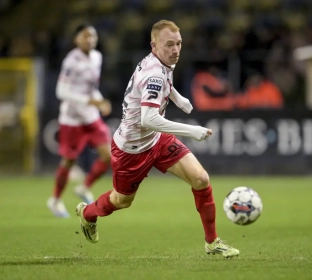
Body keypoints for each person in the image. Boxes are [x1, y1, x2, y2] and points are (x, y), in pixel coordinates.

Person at [75, 20, 240, 258]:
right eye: (169, 45)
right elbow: (149, 119)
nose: (175, 50)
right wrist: (191, 130)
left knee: (201, 179)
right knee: (121, 201)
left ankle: (212, 242)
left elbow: (164, 83)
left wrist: (178, 99)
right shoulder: (154, 74)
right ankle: (88, 213)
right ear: (155, 46)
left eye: (179, 44)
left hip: (157, 140)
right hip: (131, 150)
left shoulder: (159, 62)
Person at [47, 24, 112, 218]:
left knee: (108, 156)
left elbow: (90, 87)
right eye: (85, 36)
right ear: (77, 39)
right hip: (72, 119)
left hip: (90, 116)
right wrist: (90, 100)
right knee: (69, 161)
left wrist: (99, 100)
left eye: (92, 36)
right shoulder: (71, 61)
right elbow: (61, 91)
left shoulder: (97, 57)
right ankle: (55, 200)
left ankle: (84, 187)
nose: (89, 40)